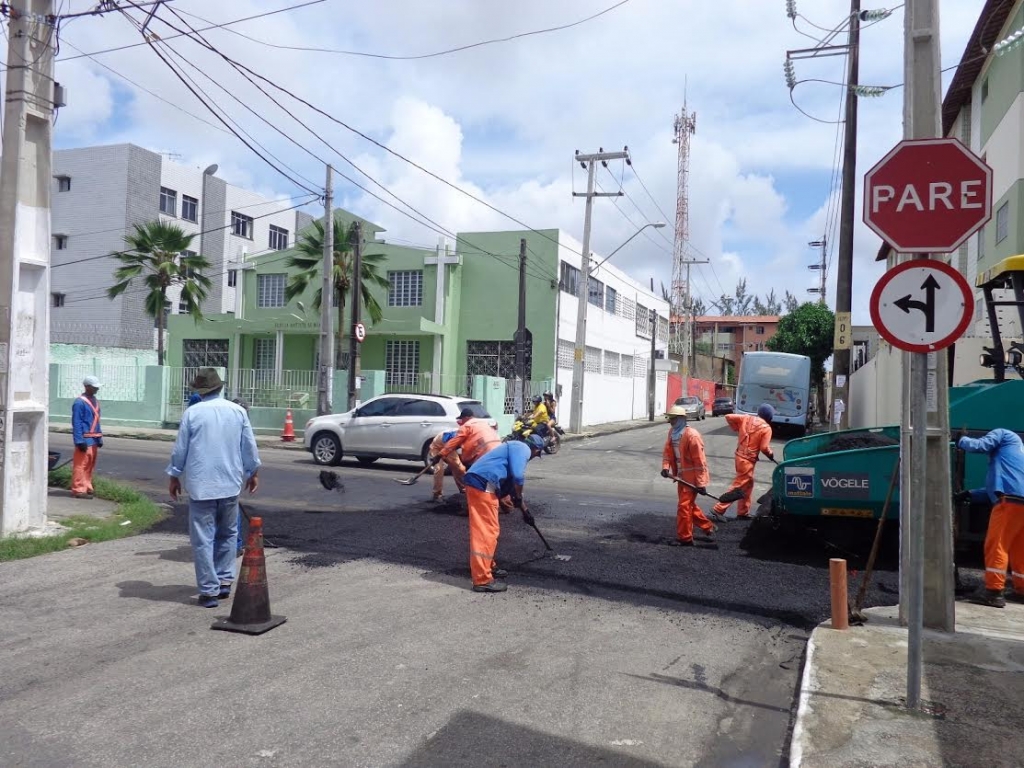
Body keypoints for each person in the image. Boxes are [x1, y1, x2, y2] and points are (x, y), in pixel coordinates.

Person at [166, 369, 261, 608]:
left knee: (203, 539)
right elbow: (248, 447)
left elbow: (180, 450)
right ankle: (224, 581)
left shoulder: (192, 413)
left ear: (200, 391)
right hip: (229, 484)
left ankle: (208, 591)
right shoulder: (238, 412)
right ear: (220, 388)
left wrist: (174, 475)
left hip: (200, 486)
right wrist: (253, 472)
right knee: (228, 534)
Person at [462, 434, 546, 593]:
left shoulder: (512, 450)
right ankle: (482, 579)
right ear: (535, 449)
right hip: (482, 484)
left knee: (489, 531)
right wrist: (519, 495)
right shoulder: (522, 448)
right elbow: (518, 477)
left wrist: (525, 512)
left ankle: (488, 567)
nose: (534, 457)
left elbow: (513, 494)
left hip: (483, 484)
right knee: (486, 532)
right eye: (537, 454)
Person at [955, 428, 1024, 608]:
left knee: (997, 544)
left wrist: (961, 440)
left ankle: (993, 592)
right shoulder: (1016, 456)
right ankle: (1022, 590)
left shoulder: (1003, 434)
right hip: (1020, 502)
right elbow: (997, 488)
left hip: (1009, 501)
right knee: (1019, 548)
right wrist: (970, 494)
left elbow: (980, 445)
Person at [660, 404, 716, 545]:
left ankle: (684, 538)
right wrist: (666, 467)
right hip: (681, 477)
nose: (670, 421)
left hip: (692, 478)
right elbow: (668, 452)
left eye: (672, 418)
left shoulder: (692, 436)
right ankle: (708, 526)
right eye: (669, 418)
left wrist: (701, 483)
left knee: (683, 507)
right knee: (689, 505)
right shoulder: (672, 433)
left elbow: (700, 462)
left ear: (681, 419)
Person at [711, 403, 776, 520]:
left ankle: (743, 512)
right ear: (769, 417)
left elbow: (728, 417)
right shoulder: (766, 428)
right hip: (748, 461)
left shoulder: (746, 418)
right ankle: (718, 509)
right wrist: (771, 454)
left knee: (748, 484)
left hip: (739, 456)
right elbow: (764, 448)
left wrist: (737, 428)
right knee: (739, 485)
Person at [437, 408, 502, 483]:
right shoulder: (483, 423)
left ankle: (471, 491)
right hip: (498, 450)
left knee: (472, 475)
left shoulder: (467, 426)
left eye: (462, 419)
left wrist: (440, 454)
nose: (461, 421)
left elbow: (453, 442)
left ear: (466, 418)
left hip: (483, 453)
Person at [71, 375, 103, 499]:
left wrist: (99, 438)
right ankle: (79, 489)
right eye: (94, 387)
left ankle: (87, 485)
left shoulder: (95, 401)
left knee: (90, 465)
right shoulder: (79, 402)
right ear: (87, 387)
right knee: (81, 465)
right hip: (84, 438)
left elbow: (97, 421)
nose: (97, 389)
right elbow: (77, 422)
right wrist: (79, 440)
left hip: (94, 439)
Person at [427, 429, 463, 502]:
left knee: (459, 468)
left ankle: (463, 490)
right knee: (439, 469)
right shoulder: (454, 435)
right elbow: (447, 447)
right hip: (437, 447)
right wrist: (438, 456)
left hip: (449, 449)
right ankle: (437, 494)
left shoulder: (470, 436)